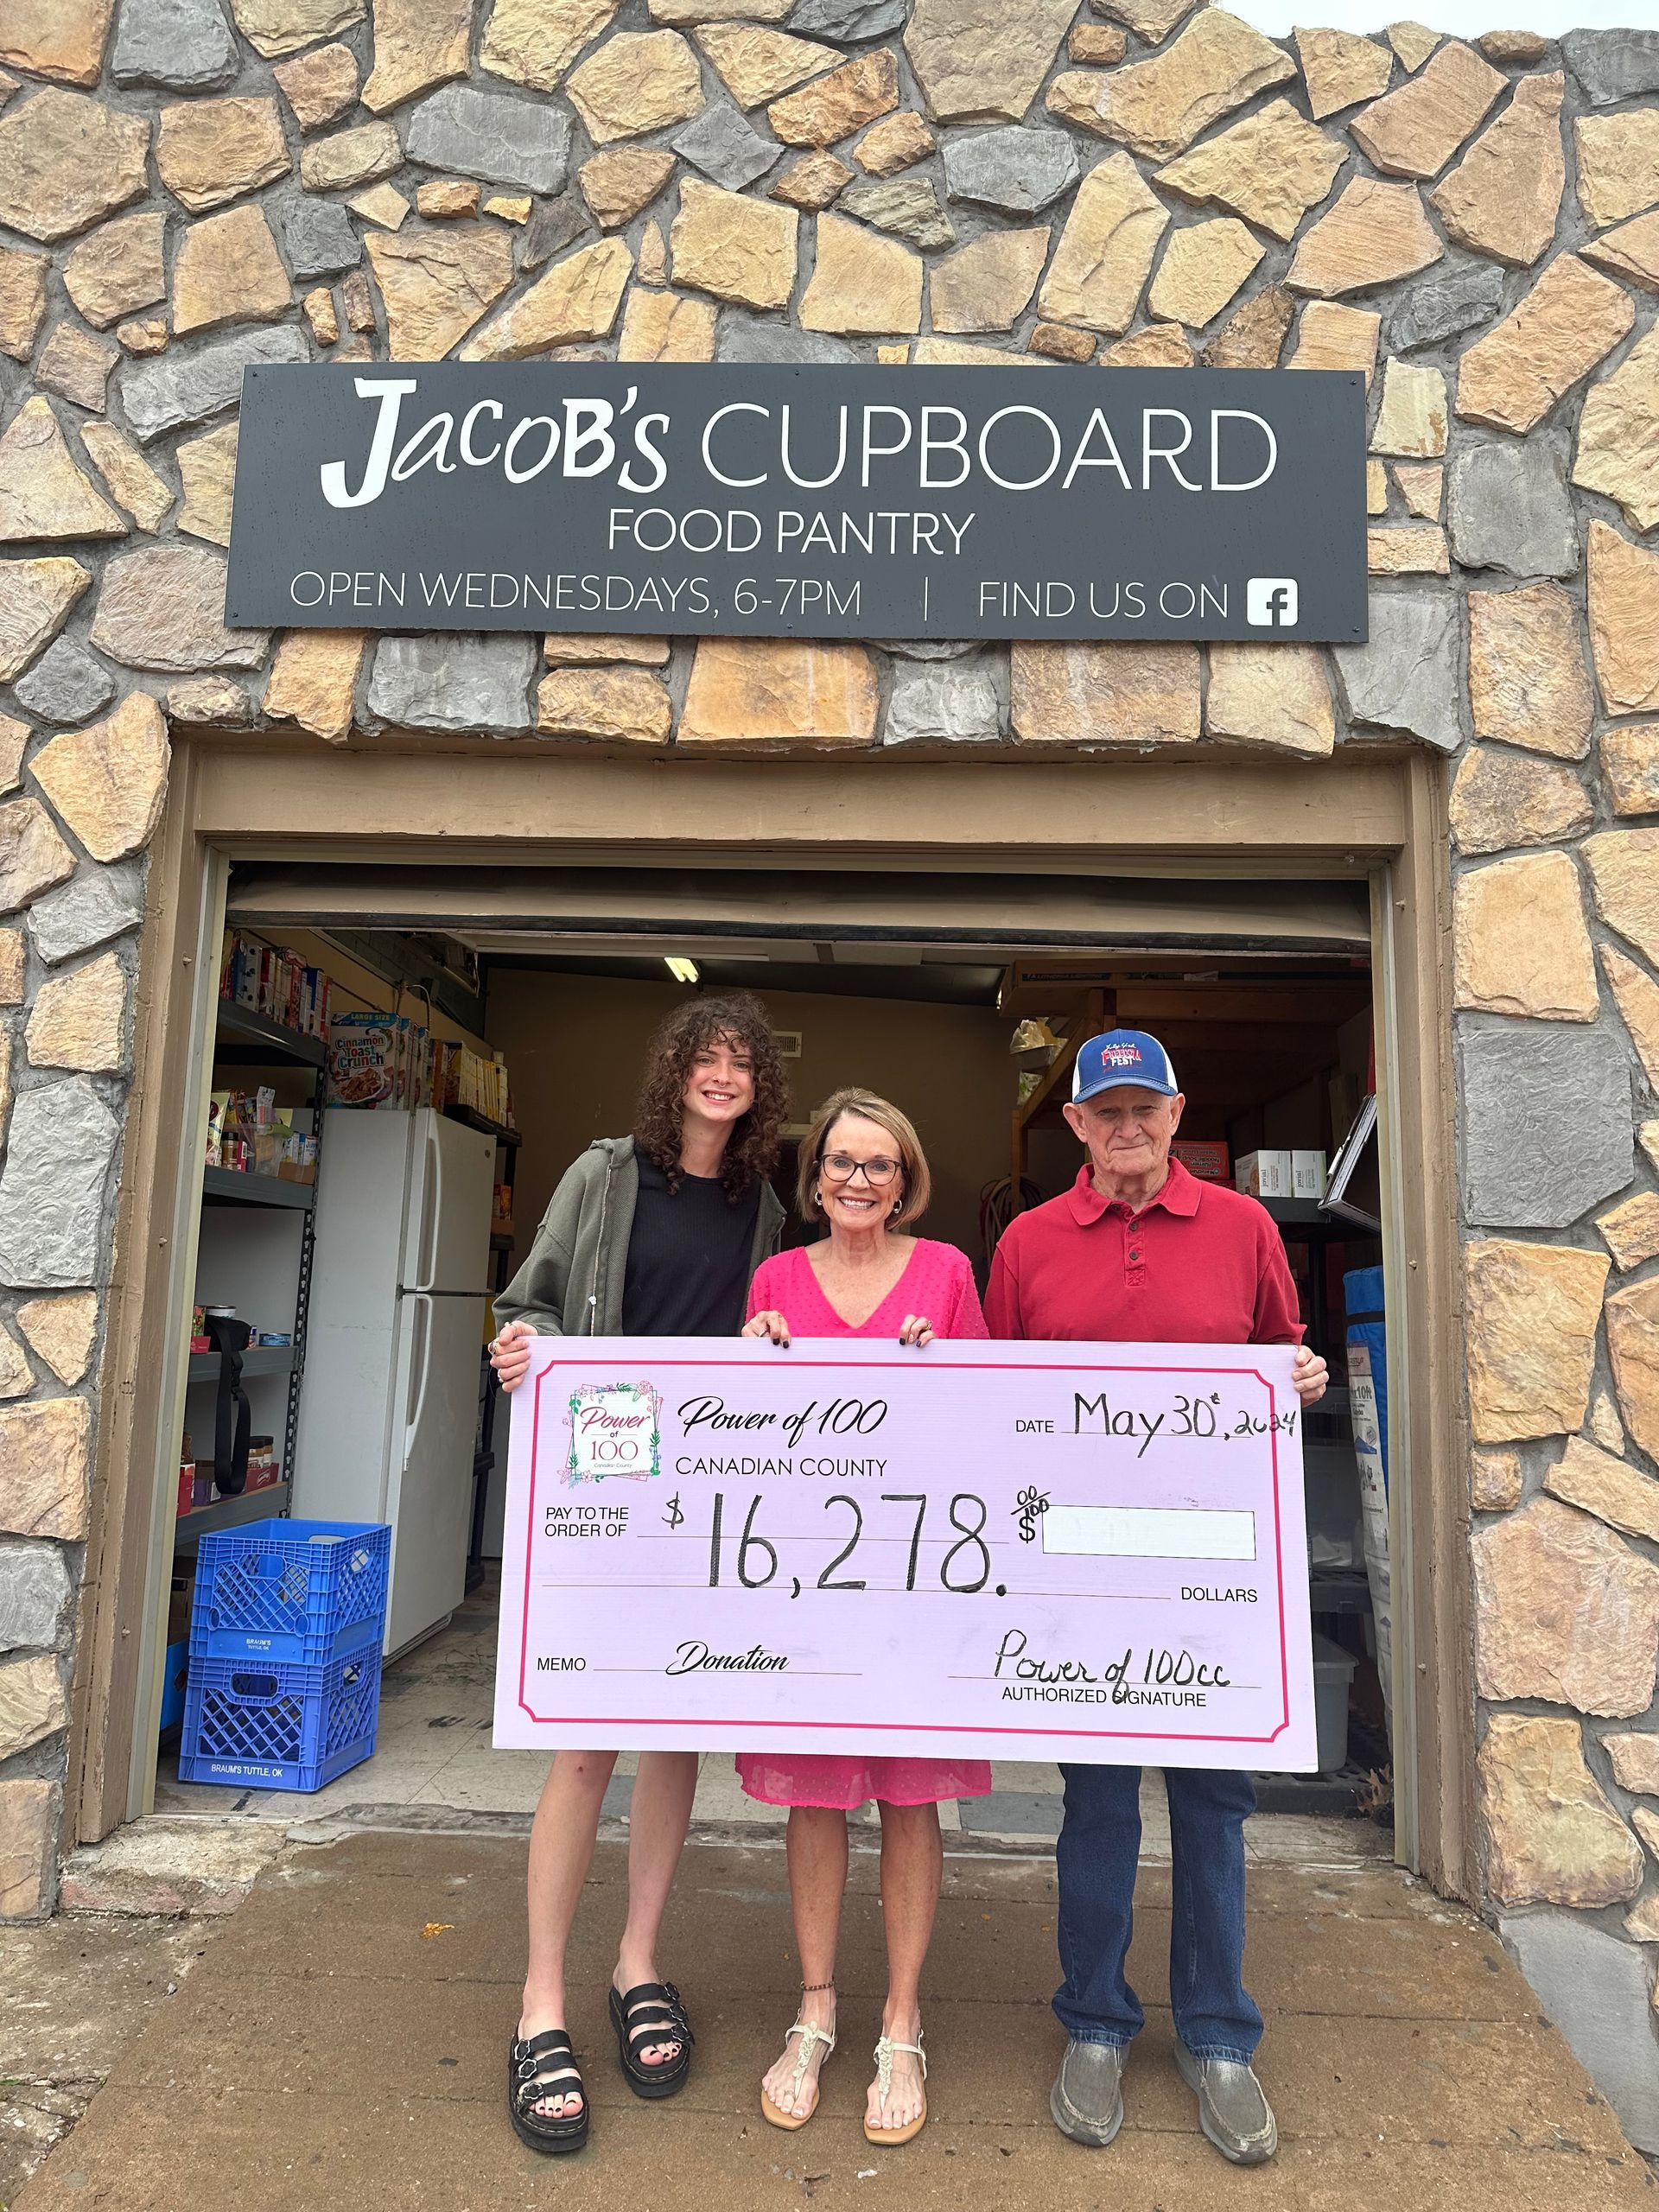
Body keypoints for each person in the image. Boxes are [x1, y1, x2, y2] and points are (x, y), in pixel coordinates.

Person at [983, 1029, 1328, 2170]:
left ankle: (1221, 2039)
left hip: (1212, 1579)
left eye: (1147, 1108)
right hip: (1083, 1580)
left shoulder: (1245, 1228)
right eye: (1106, 1112)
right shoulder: (1028, 1245)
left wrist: (1305, 1373)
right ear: (1074, 1126)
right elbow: (994, 1406)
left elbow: (1281, 1350)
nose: (1128, 1128)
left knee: (1215, 1808)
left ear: (1178, 1115)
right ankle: (1094, 2021)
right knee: (1097, 1807)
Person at [489, 992, 789, 2156]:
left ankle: (637, 1964)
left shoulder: (757, 1202)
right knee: (584, 1744)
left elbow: (773, 1336)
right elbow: (530, 1302)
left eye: (742, 1063)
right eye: (705, 1058)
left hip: (705, 1506)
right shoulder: (602, 1174)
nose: (723, 1075)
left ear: (759, 1087)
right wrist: (519, 1343)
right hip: (604, 1490)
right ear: (675, 1075)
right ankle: (541, 2004)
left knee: (674, 1737)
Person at [740, 1087, 988, 2149]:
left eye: (879, 1164)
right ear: (815, 1174)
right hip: (803, 1588)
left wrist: (950, 1364)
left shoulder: (947, 1273)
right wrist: (752, 1356)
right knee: (815, 1792)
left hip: (919, 1587)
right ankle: (816, 2005)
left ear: (906, 1178)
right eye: (841, 1161)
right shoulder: (775, 1280)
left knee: (908, 1795)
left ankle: (900, 2018)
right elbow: (734, 1440)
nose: (857, 1179)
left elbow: (991, 1420)